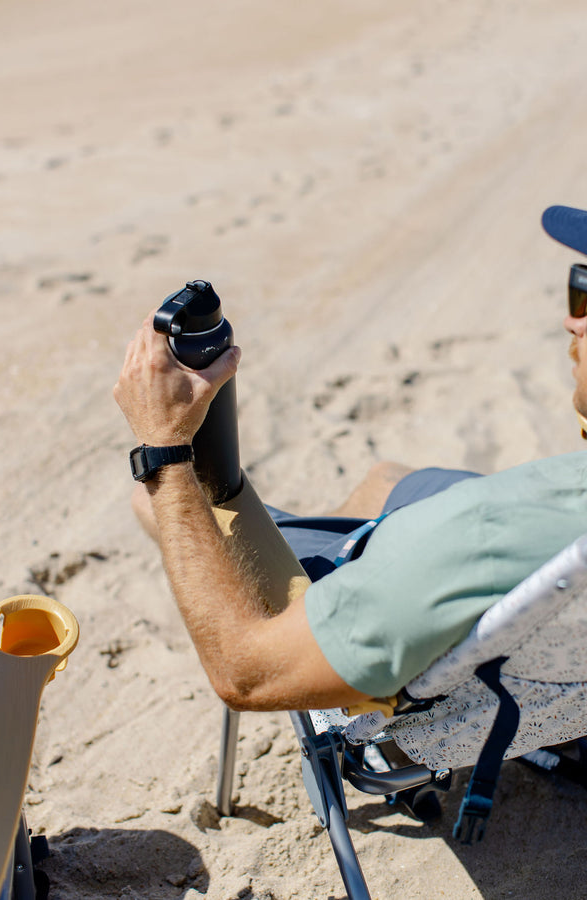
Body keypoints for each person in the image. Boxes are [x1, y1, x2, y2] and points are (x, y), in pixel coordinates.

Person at [114, 204, 587, 713]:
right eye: (576, 286)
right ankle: (331, 546)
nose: (569, 320)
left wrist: (164, 448)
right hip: (522, 540)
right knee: (387, 478)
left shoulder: (479, 534)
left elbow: (246, 675)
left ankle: (328, 566)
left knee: (154, 501)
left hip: (434, 594)